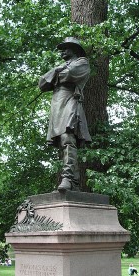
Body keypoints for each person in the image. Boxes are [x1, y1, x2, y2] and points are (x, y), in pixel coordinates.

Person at [39, 37, 92, 191]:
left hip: (70, 100)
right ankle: (74, 182)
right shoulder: (61, 67)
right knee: (63, 143)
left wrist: (56, 73)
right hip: (57, 105)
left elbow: (69, 74)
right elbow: (42, 84)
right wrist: (56, 70)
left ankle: (67, 178)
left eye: (65, 48)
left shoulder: (82, 62)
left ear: (74, 49)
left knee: (67, 137)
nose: (62, 51)